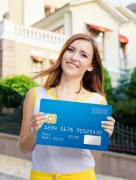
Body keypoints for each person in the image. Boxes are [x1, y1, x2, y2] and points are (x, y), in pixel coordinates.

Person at [19, 33, 115, 180]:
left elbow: (94, 156)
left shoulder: (98, 102)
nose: (74, 57)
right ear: (63, 54)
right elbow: (23, 148)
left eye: (83, 55)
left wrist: (104, 137)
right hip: (40, 176)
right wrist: (35, 134)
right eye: (71, 50)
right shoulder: (35, 95)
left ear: (91, 66)